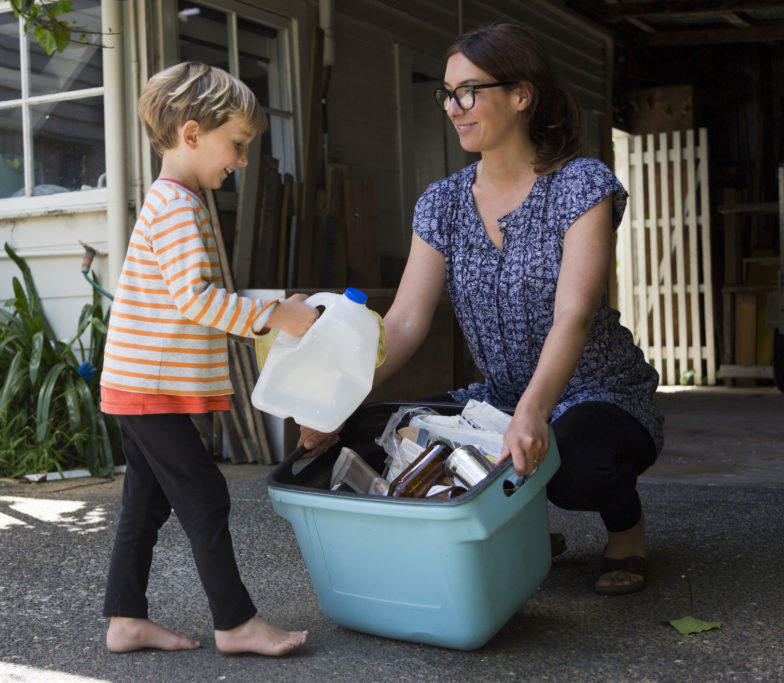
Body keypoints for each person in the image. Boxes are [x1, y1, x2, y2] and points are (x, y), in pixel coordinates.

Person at [300, 23, 663, 596]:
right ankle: (522, 532)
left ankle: (626, 527)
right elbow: (407, 320)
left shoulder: (580, 186)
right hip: (497, 397)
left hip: (598, 392)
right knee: (375, 431)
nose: (453, 107)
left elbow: (573, 312)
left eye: (468, 91)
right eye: (447, 93)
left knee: (573, 465)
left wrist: (534, 411)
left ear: (522, 95)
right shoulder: (442, 202)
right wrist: (338, 399)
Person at [99, 62, 316, 654]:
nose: (243, 160)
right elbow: (193, 298)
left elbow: (188, 299)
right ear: (192, 135)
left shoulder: (180, 199)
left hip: (140, 383)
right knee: (204, 496)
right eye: (238, 145)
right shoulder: (175, 206)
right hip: (147, 387)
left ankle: (124, 618)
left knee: (145, 502)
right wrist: (271, 316)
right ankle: (236, 622)